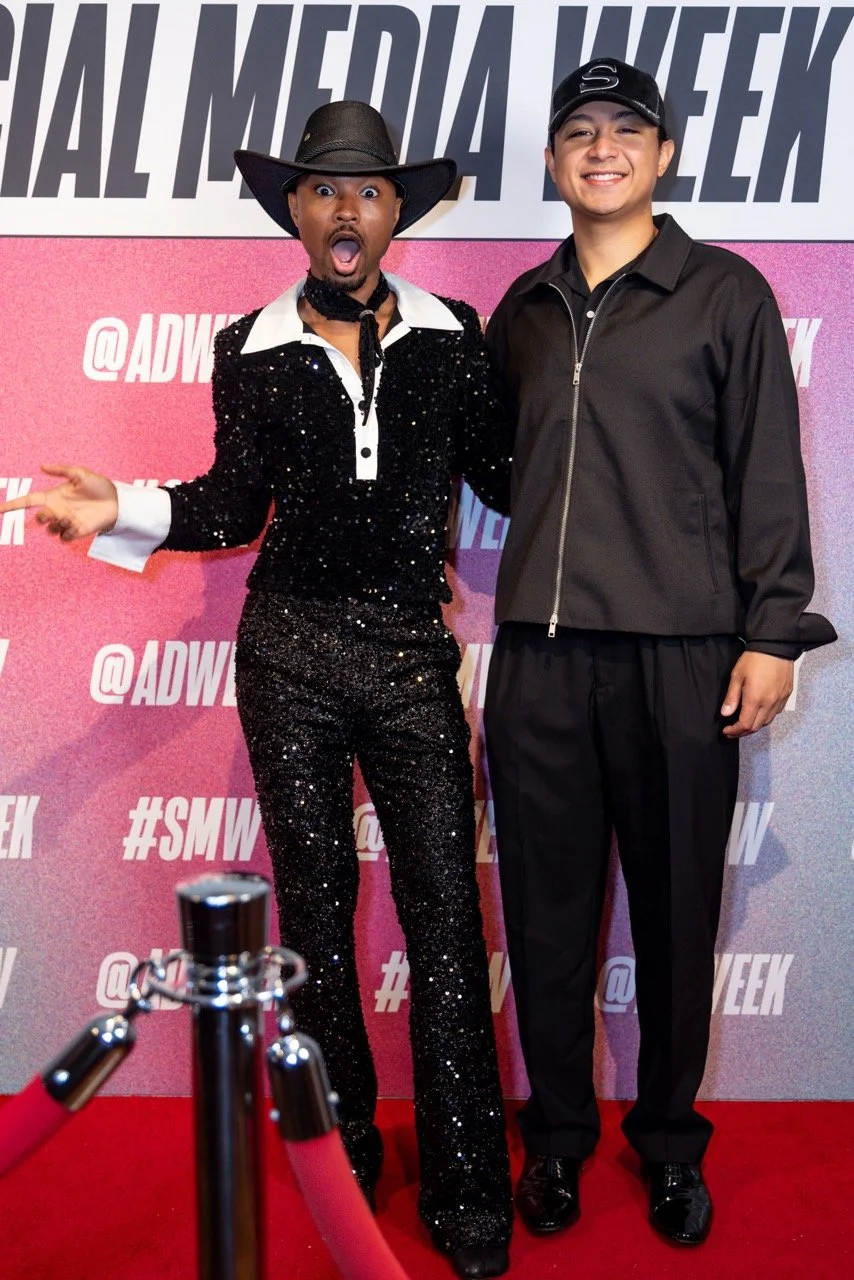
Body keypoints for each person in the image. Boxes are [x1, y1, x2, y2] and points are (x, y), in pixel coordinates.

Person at [1, 101, 514, 1279]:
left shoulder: (456, 336)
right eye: (323, 191)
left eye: (368, 192)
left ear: (397, 212)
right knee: (317, 914)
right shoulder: (249, 345)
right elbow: (232, 506)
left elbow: (515, 473)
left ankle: (468, 1186)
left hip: (406, 651)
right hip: (286, 650)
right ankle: (340, 1151)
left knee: (444, 915)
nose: (345, 210)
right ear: (296, 209)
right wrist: (118, 505)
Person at [483, 57, 836, 1247]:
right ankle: (559, 1142)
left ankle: (672, 1145)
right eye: (575, 132)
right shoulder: (520, 309)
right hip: (537, 659)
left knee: (677, 921)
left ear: (662, 156)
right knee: (542, 921)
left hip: (683, 658)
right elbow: (500, 469)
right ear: (550, 162)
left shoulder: (723, 293)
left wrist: (772, 629)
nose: (599, 149)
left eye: (622, 131)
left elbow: (767, 473)